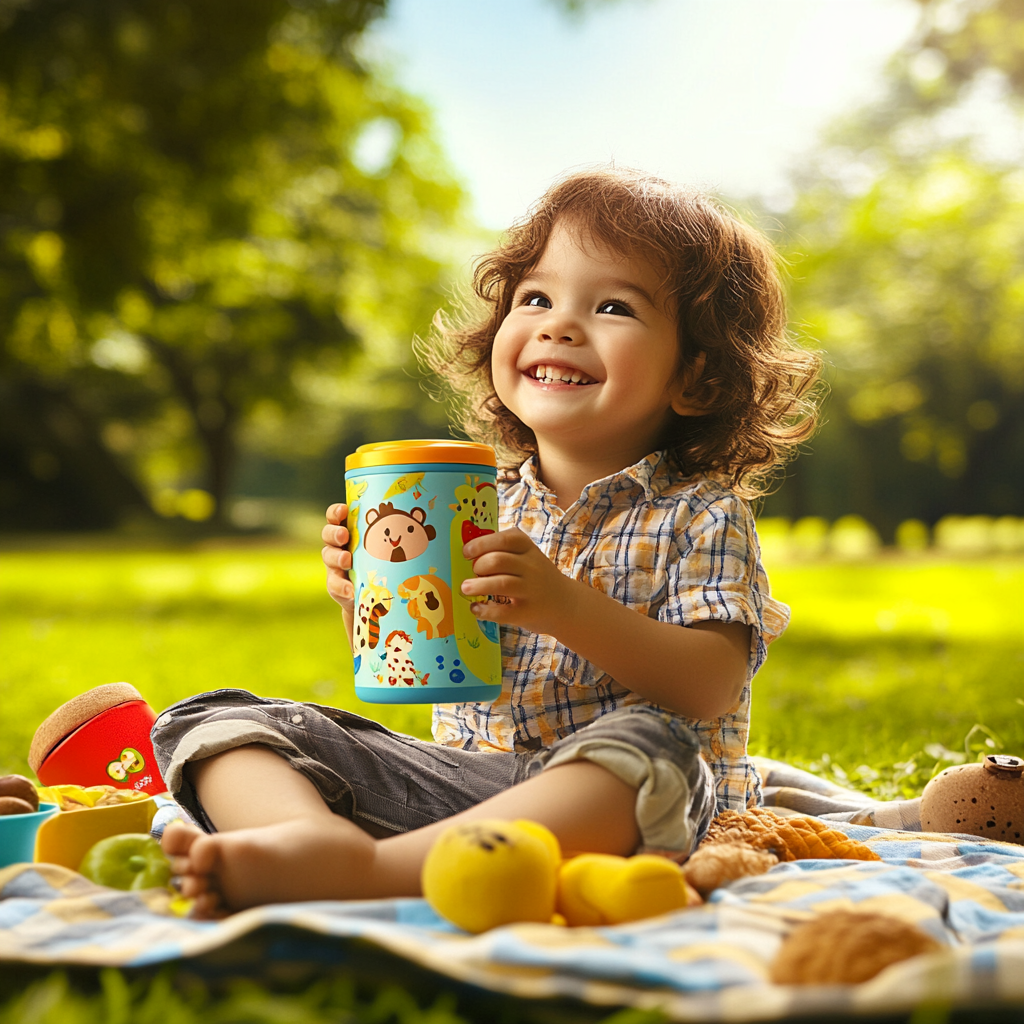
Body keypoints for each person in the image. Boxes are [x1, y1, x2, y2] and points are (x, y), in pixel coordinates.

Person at [158, 167, 821, 917]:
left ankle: (369, 874)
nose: (559, 324)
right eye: (536, 297)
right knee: (214, 719)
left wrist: (564, 607)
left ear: (695, 379)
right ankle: (301, 846)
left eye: (612, 307)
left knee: (651, 745)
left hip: (625, 810)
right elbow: (424, 662)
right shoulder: (479, 501)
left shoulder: (700, 513)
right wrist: (367, 601)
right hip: (462, 795)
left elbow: (710, 687)